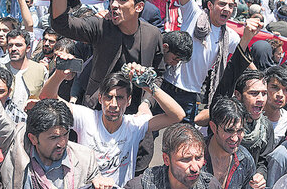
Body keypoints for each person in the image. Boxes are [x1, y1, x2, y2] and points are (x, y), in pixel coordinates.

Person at [0, 31, 107, 189]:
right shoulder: (16, 143)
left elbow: (97, 180)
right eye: (53, 138)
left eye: (65, 134)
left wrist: (101, 183)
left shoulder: (85, 158)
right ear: (33, 138)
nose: (62, 143)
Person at [50, 0, 164, 114]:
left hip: (134, 118)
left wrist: (146, 104)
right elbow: (61, 24)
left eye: (122, 0)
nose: (114, 5)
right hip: (96, 111)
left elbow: (158, 74)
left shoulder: (153, 35)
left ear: (139, 7)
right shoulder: (100, 26)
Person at [40, 61, 185, 186]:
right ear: (100, 98)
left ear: (128, 101)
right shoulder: (86, 118)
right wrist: (59, 74)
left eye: (120, 98)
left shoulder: (134, 125)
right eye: (109, 97)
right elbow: (47, 98)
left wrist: (150, 87)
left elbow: (177, 115)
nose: (114, 104)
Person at [166, 0, 261, 122]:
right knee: (147, 136)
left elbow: (247, 63)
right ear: (210, 5)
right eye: (222, 4)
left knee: (184, 144)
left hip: (191, 96)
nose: (226, 9)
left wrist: (262, 84)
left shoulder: (231, 37)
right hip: (166, 85)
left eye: (231, 6)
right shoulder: (192, 14)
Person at [124, 123, 220, 189]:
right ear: (166, 159)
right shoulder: (139, 186)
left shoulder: (210, 185)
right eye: (186, 159)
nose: (195, 168)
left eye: (198, 158)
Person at [233, 69, 274, 188]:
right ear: (238, 95)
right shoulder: (227, 124)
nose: (261, 99)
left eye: (264, 93)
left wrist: (260, 175)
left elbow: (263, 160)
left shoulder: (266, 126)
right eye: (254, 93)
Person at [205, 96, 256, 189]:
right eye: (229, 131)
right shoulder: (194, 156)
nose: (235, 138)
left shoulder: (245, 160)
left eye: (240, 131)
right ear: (213, 128)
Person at [4, 28, 48, 110]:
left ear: (28, 48)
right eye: (10, 45)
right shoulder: (1, 70)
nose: (13, 49)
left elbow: (47, 98)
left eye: (18, 45)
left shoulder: (41, 70)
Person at [264, 65, 287, 145]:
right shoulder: (253, 115)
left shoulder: (286, 118)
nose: (280, 94)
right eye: (275, 87)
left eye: (286, 89)